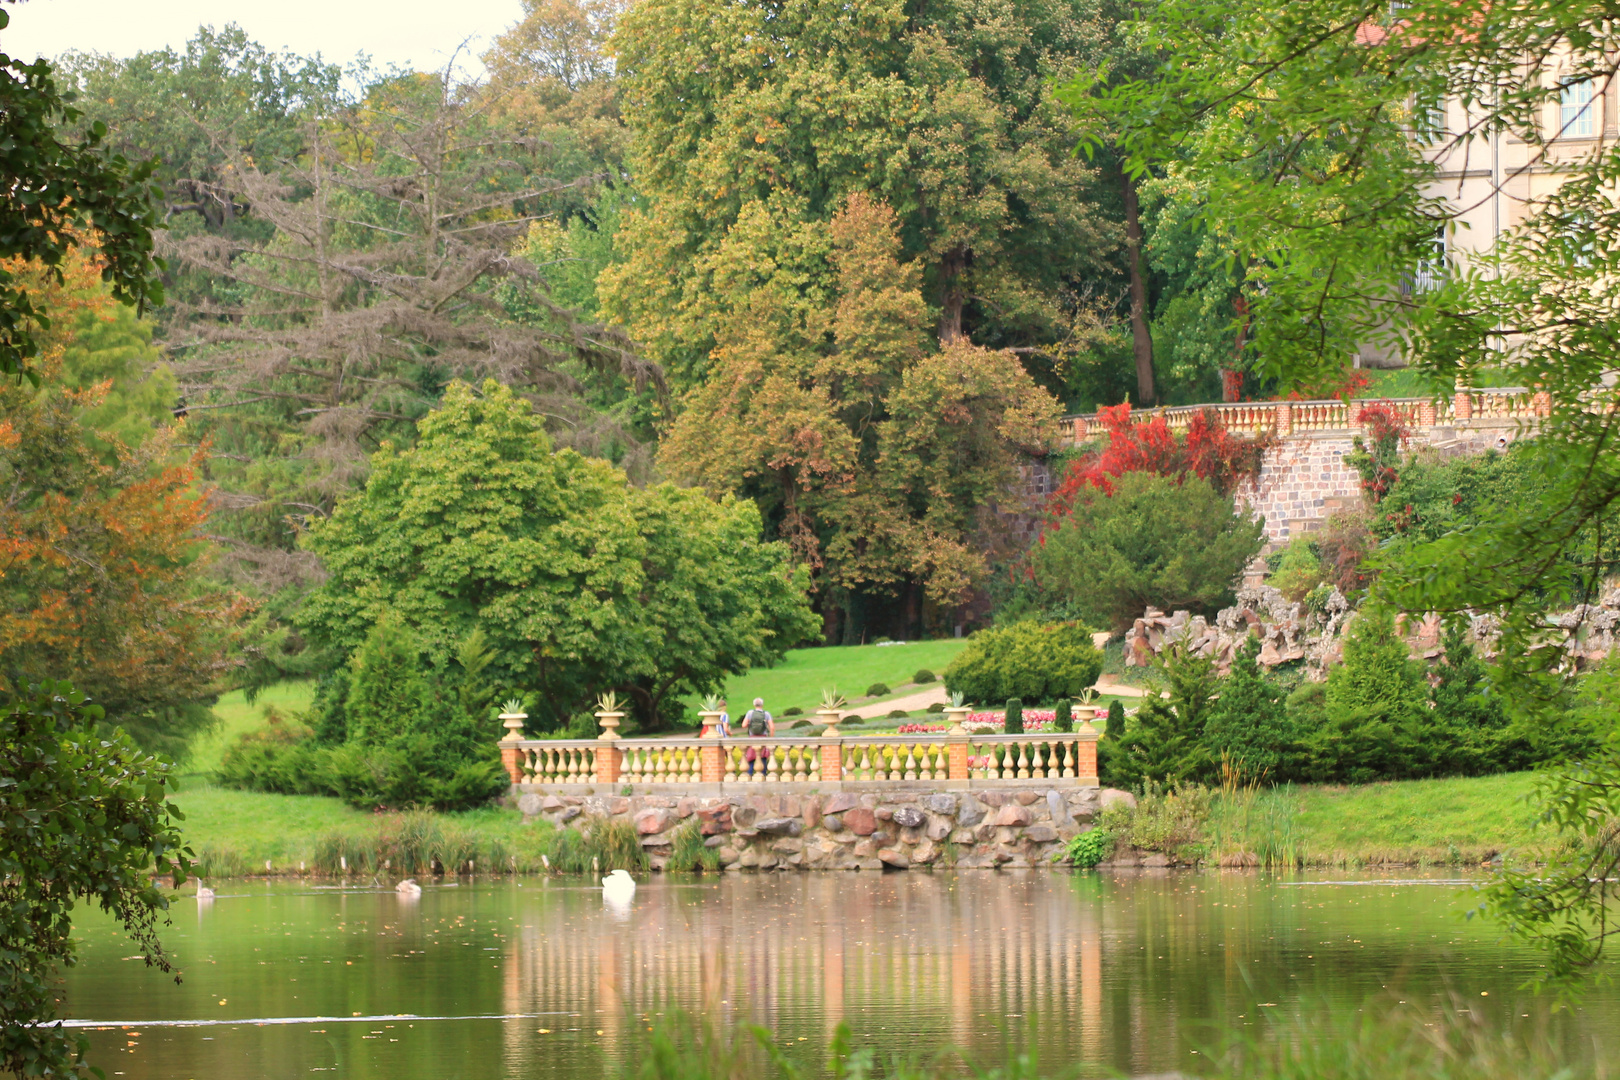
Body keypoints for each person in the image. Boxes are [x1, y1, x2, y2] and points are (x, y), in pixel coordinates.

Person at [741, 697, 773, 777]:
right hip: (763, 738)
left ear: (754, 704)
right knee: (762, 757)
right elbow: (772, 727)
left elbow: (743, 725)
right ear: (762, 705)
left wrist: (750, 725)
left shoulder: (750, 713)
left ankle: (749, 774)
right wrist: (771, 738)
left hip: (752, 738)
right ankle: (763, 774)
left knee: (751, 757)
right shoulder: (766, 714)